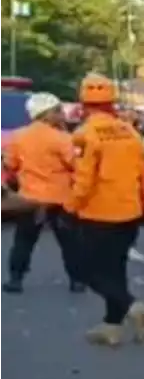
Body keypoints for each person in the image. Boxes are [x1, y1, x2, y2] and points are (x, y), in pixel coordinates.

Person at [64, 73, 144, 347]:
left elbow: (84, 181)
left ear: (83, 102)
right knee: (115, 270)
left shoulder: (85, 135)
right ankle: (111, 326)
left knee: (85, 271)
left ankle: (134, 308)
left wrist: (70, 208)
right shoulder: (129, 131)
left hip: (97, 215)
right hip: (129, 214)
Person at [2, 92, 85, 294]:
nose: (61, 114)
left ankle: (15, 280)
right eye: (57, 111)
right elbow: (76, 165)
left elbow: (10, 165)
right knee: (70, 243)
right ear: (45, 114)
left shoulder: (18, 136)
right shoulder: (62, 138)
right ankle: (77, 281)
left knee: (23, 241)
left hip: (30, 199)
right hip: (60, 199)